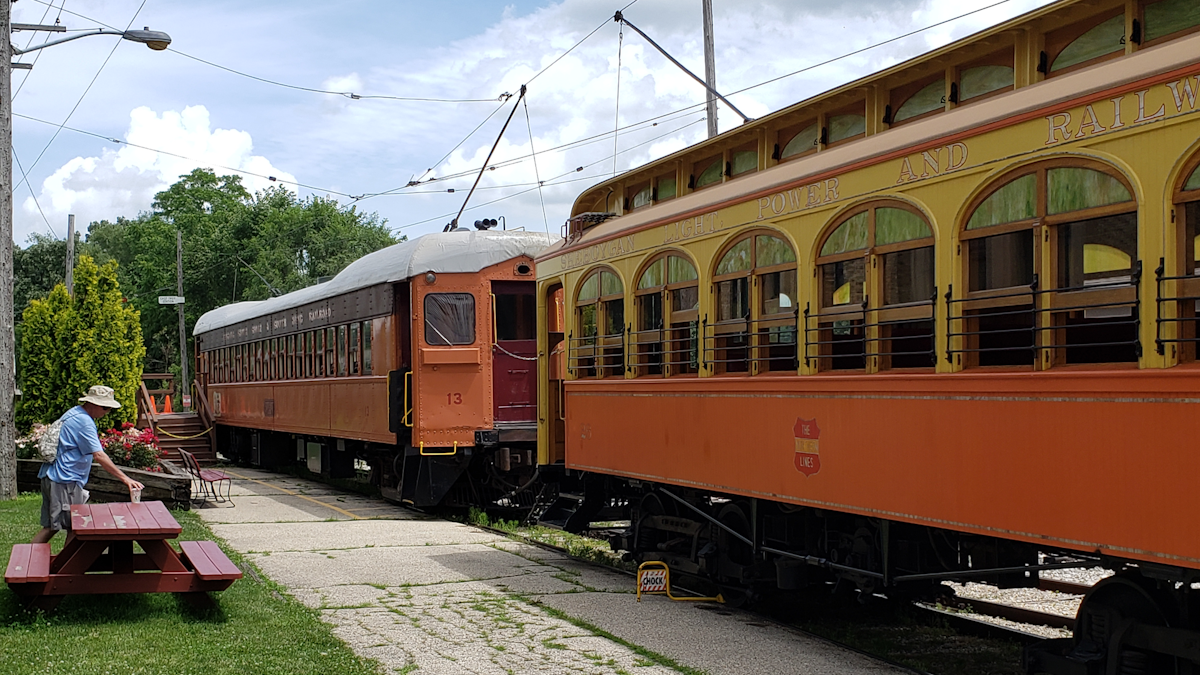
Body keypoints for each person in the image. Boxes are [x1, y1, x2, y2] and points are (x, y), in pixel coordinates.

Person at [31, 385, 145, 544]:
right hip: (65, 480)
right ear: (93, 404)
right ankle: (68, 568)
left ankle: (26, 562)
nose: (107, 412)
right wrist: (126, 479)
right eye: (105, 407)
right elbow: (99, 455)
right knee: (75, 528)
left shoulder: (74, 413)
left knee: (52, 526)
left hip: (52, 476)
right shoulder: (84, 421)